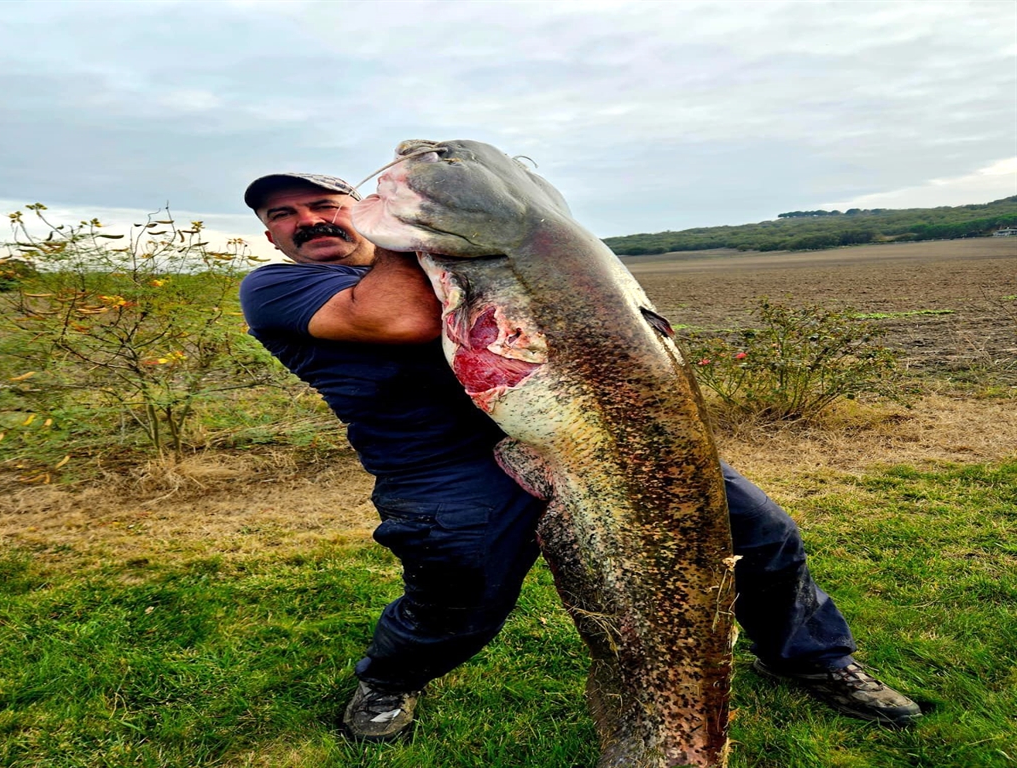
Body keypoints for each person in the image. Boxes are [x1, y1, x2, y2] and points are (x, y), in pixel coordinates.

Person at [238, 172, 922, 742]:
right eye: (285, 215)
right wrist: (408, 227)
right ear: (271, 236)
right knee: (459, 588)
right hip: (444, 462)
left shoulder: (451, 258)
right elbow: (399, 319)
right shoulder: (277, 290)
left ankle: (813, 657)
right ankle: (389, 680)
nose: (308, 220)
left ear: (353, 206)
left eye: (324, 204)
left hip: (592, 431)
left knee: (761, 534)